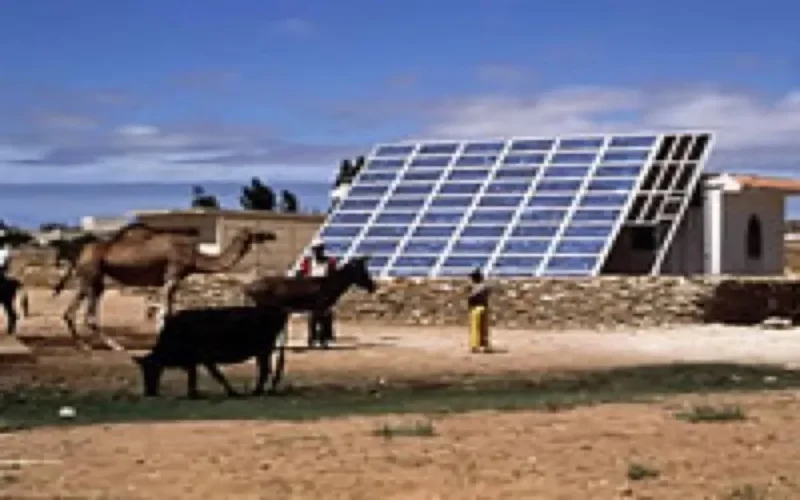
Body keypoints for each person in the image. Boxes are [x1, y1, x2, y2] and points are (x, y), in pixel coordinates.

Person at [297, 238, 338, 349]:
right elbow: (300, 274)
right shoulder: (308, 262)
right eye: (316, 249)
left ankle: (324, 338)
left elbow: (333, 277)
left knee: (326, 316)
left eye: (320, 249)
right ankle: (313, 338)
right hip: (310, 293)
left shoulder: (330, 262)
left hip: (324, 293)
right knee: (313, 316)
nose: (318, 252)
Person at [467, 267, 491, 352]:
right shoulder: (484, 286)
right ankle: (484, 345)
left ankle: (474, 345)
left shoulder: (473, 288)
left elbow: (470, 299)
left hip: (475, 309)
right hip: (484, 307)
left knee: (475, 328)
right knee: (483, 328)